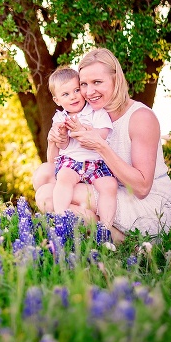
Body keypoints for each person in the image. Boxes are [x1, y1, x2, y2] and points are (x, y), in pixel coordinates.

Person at [32, 48, 171, 243]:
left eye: (97, 82)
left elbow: (142, 188)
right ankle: (104, 238)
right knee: (44, 173)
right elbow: (57, 166)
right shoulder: (87, 113)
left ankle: (124, 240)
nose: (89, 92)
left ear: (116, 80)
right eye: (83, 84)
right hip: (108, 189)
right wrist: (54, 140)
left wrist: (101, 146)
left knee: (48, 195)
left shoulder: (140, 117)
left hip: (146, 205)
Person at [44, 67, 119, 235]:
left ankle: (105, 228)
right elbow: (62, 146)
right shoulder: (59, 118)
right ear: (57, 100)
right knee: (63, 179)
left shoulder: (96, 112)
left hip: (96, 162)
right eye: (66, 94)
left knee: (110, 185)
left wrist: (83, 130)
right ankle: (61, 217)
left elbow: (104, 134)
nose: (73, 96)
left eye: (77, 90)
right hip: (71, 161)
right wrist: (61, 135)